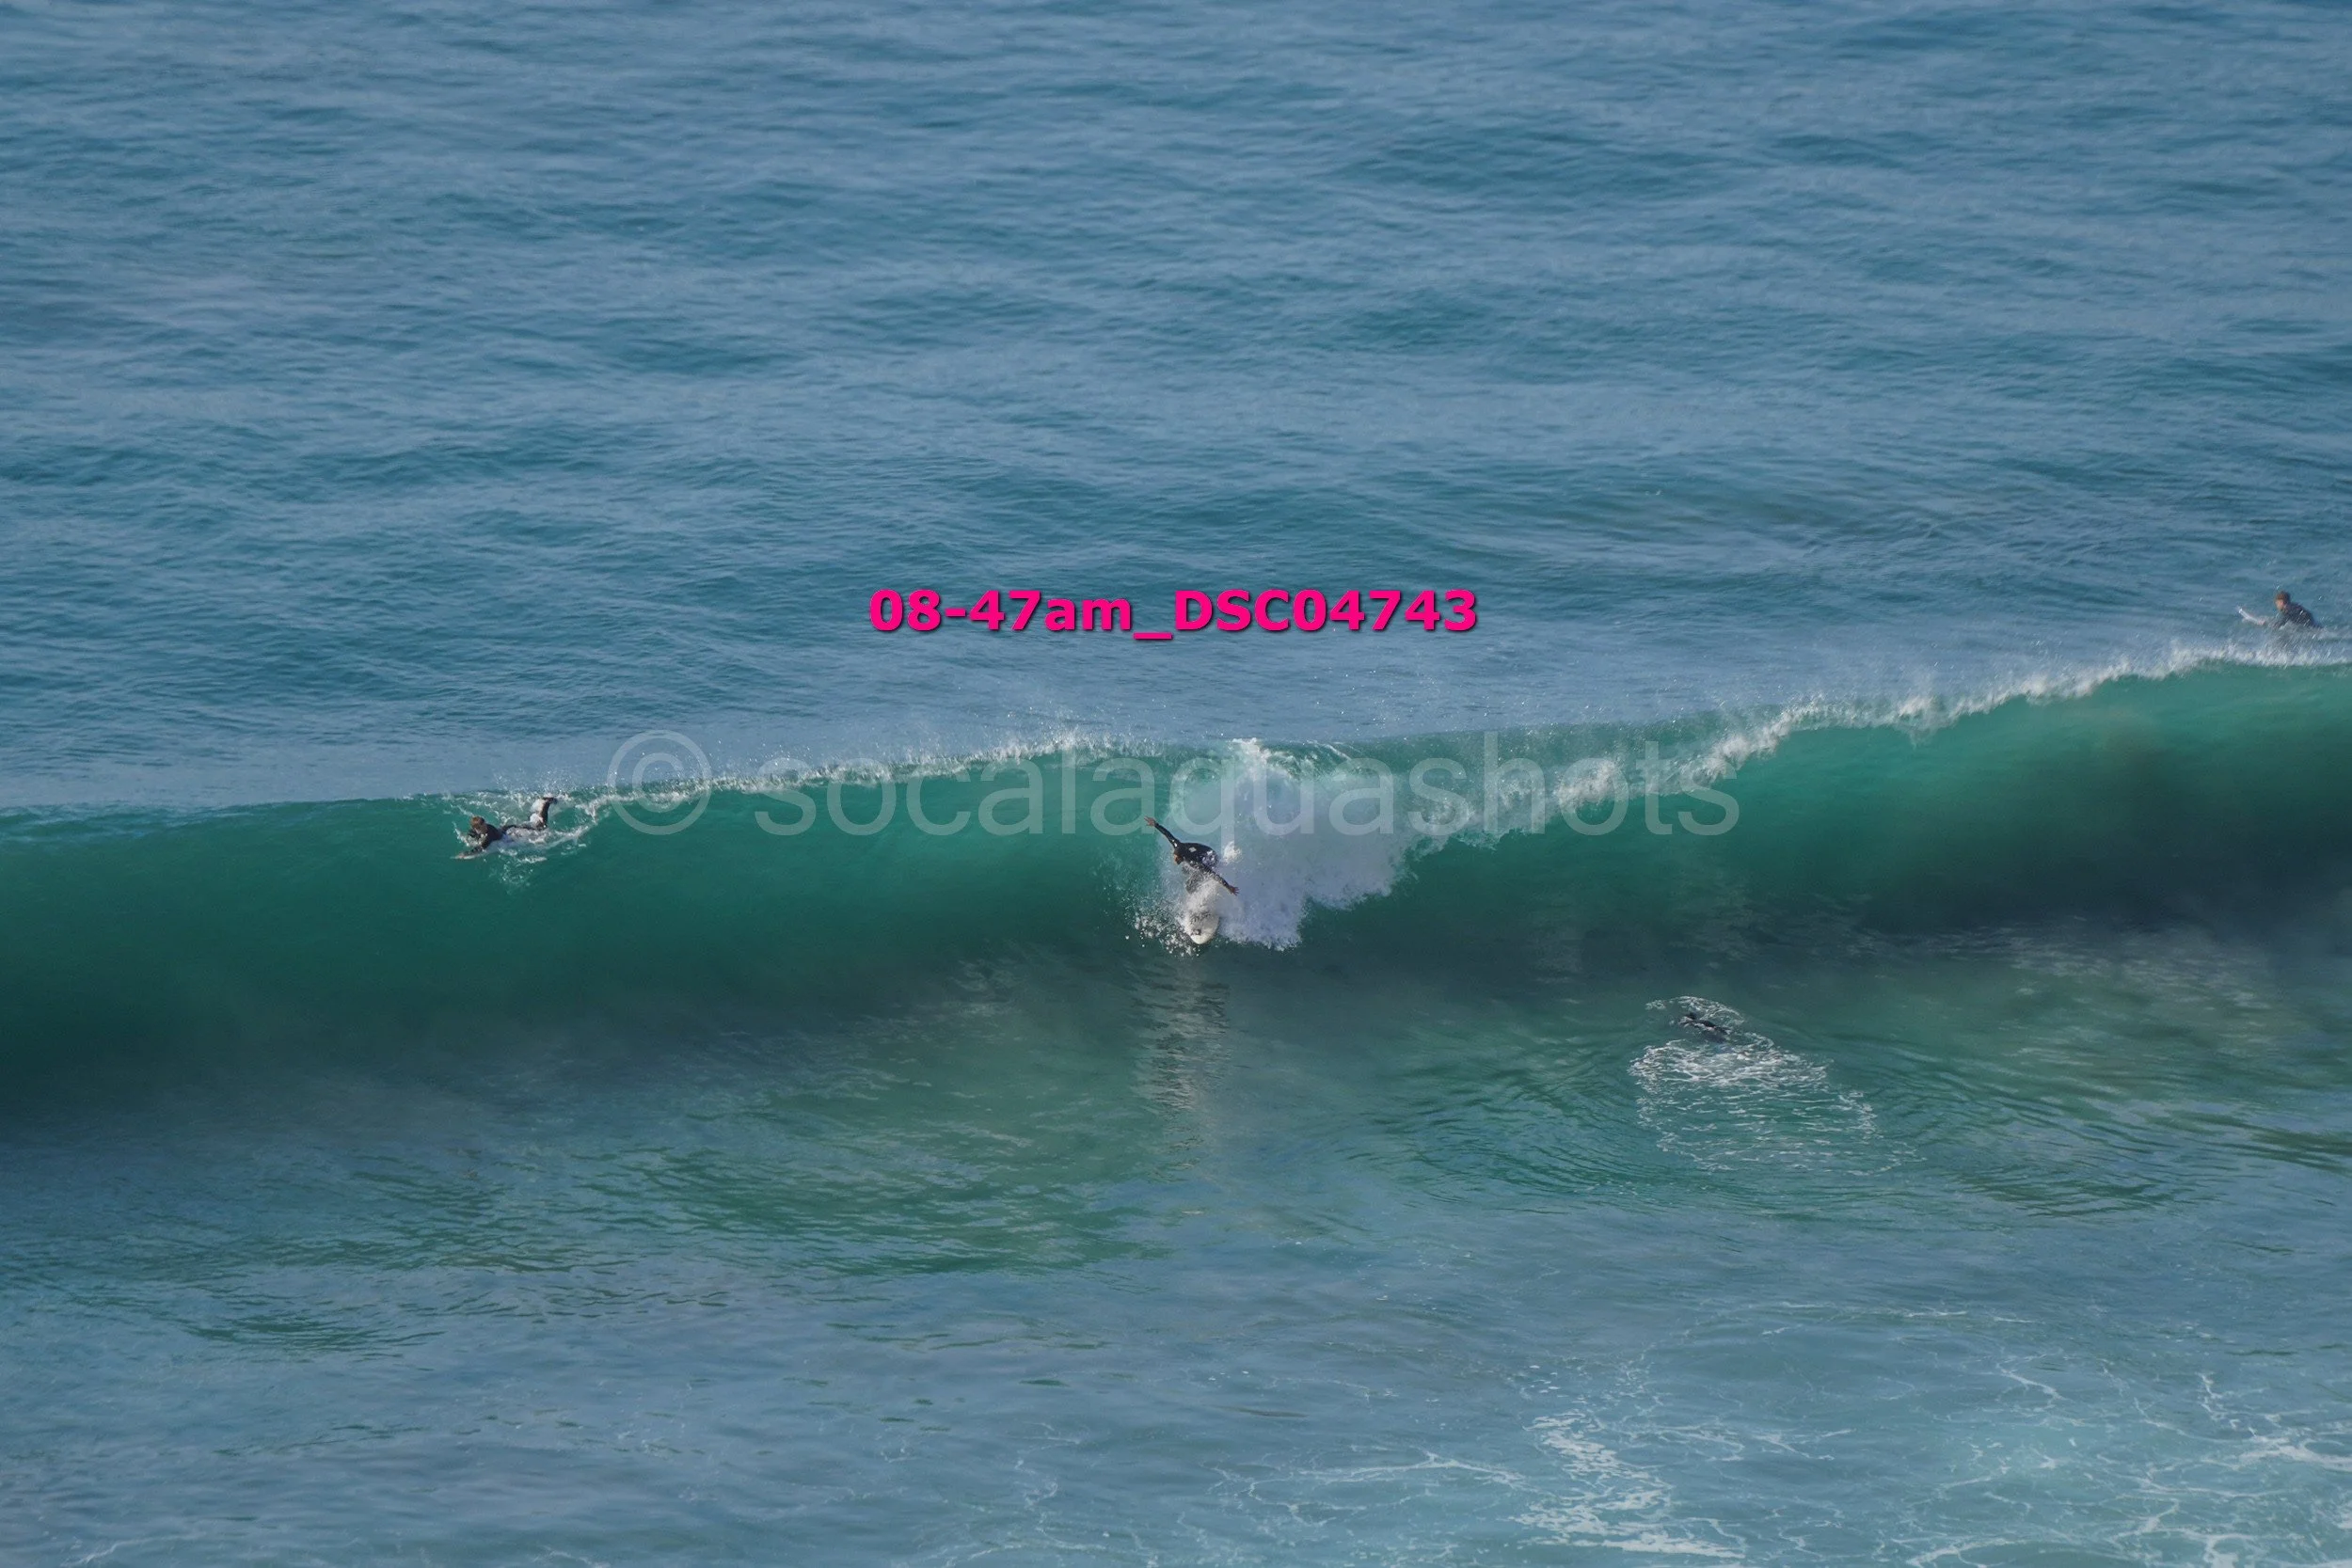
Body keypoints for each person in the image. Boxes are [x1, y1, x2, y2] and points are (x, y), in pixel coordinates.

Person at [1147, 816, 1239, 895]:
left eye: (1176, 859)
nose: (1175, 860)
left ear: (1181, 856)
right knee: (1185, 870)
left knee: (1189, 885)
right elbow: (1168, 835)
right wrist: (1156, 825)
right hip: (1204, 851)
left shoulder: (1193, 862)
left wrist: (1228, 886)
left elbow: (1212, 874)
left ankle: (1201, 901)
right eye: (1174, 857)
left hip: (1211, 858)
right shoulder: (1177, 845)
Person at [464, 796, 557, 855]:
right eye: (482, 827)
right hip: (506, 829)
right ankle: (537, 811)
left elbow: (481, 847)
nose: (485, 828)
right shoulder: (475, 830)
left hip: (511, 832)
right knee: (531, 823)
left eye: (484, 825)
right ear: (475, 828)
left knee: (541, 828)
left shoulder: (489, 834)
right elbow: (472, 834)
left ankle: (546, 803)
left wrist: (466, 854)